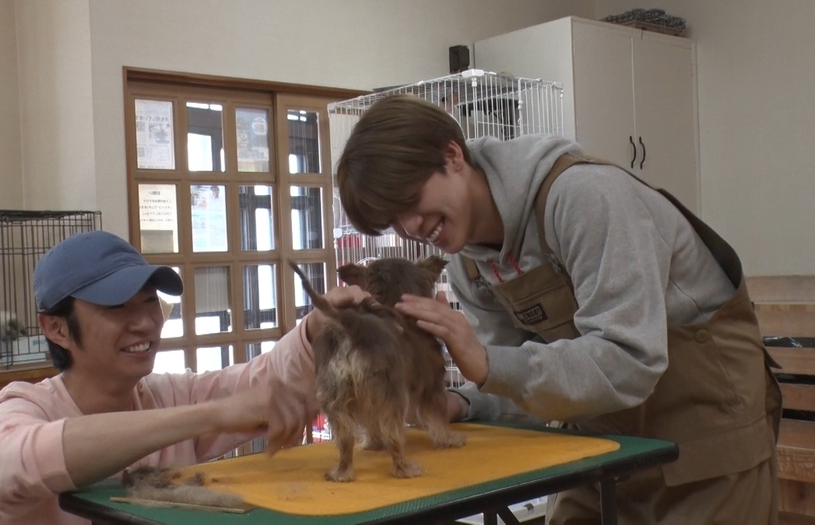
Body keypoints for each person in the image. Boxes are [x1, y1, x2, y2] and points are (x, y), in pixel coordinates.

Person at [334, 95, 781, 524]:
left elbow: (631, 359)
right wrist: (459, 402)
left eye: (411, 201)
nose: (411, 227)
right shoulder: (469, 267)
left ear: (452, 156)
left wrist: (488, 361)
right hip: (602, 442)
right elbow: (524, 384)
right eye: (393, 220)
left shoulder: (585, 198)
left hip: (707, 443)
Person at [0, 230, 368, 524]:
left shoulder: (164, 395)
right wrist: (209, 415)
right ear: (57, 328)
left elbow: (260, 382)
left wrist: (316, 329)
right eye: (116, 308)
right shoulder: (19, 409)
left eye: (150, 303)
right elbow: (15, 463)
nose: (146, 323)